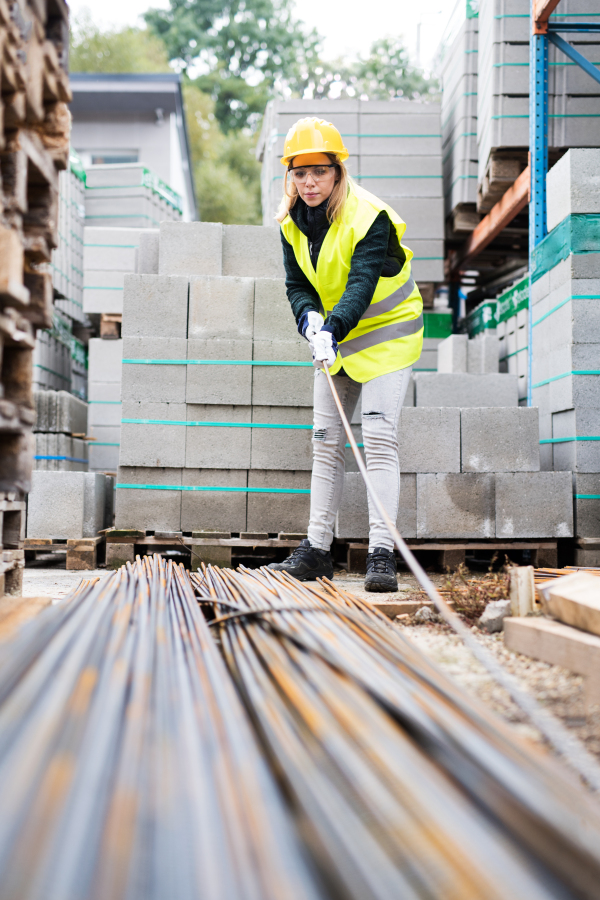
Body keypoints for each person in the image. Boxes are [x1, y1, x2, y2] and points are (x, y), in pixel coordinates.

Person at [268, 117, 423, 592]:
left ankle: (381, 553)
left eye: (319, 171)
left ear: (337, 172)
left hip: (387, 335)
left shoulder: (369, 216)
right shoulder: (290, 223)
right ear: (290, 176)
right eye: (299, 173)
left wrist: (331, 327)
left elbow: (360, 282)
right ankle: (317, 550)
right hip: (335, 336)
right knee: (325, 442)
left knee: (377, 440)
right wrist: (309, 321)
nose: (309, 182)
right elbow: (298, 285)